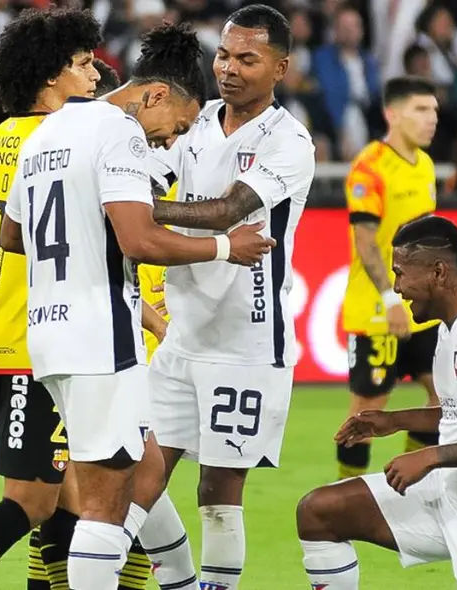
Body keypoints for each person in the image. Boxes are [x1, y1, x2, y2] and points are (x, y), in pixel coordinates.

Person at [0, 21, 275, 589]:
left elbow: (9, 235)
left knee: (146, 468)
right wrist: (226, 246)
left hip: (49, 333)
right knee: (105, 507)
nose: (169, 142)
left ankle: (178, 581)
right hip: (100, 336)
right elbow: (140, 240)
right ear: (152, 96)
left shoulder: (48, 129)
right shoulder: (117, 131)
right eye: (172, 127)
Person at [0, 10, 148, 590]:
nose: (94, 77)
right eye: (83, 64)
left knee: (80, 508)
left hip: (8, 341)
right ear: (48, 77)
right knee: (40, 501)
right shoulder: (60, 141)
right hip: (39, 350)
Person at [143, 6, 315, 589]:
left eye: (248, 58)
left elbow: (226, 212)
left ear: (280, 67)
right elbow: (139, 171)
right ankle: (179, 584)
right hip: (181, 336)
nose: (229, 68)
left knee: (217, 493)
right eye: (223, 55)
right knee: (133, 478)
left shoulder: (290, 141)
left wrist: (135, 213)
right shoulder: (194, 119)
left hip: (245, 342)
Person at [296, 215, 457, 590]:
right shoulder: (450, 329)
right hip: (447, 494)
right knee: (320, 512)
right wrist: (396, 421)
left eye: (401, 274)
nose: (397, 287)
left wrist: (430, 456)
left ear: (438, 272)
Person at [339, 76, 441, 481]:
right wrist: (390, 297)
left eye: (434, 110)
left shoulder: (426, 165)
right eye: (421, 109)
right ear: (392, 114)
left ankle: (413, 485)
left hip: (423, 309)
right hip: (379, 309)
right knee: (367, 410)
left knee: (441, 397)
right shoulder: (370, 168)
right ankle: (343, 497)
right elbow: (365, 242)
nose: (431, 118)